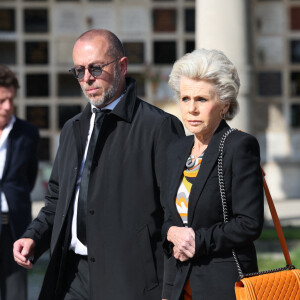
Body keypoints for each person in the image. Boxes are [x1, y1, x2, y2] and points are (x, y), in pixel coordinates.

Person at [13, 29, 184, 300]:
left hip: (130, 281)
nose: (87, 78)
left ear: (122, 66)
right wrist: (34, 236)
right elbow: (58, 200)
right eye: (79, 71)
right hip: (71, 275)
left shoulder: (159, 127)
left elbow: (174, 213)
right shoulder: (72, 129)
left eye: (95, 67)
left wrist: (169, 288)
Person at [162, 49, 264, 300]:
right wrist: (171, 233)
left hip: (223, 286)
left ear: (224, 105)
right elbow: (165, 216)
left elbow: (249, 223)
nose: (192, 109)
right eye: (185, 98)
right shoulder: (177, 149)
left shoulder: (239, 146)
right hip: (178, 284)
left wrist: (199, 240)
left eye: (202, 100)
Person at [0, 65, 39, 300]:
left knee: (16, 291)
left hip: (15, 225)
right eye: (2, 100)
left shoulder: (28, 133)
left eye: (11, 100)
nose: (7, 106)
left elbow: (30, 176)